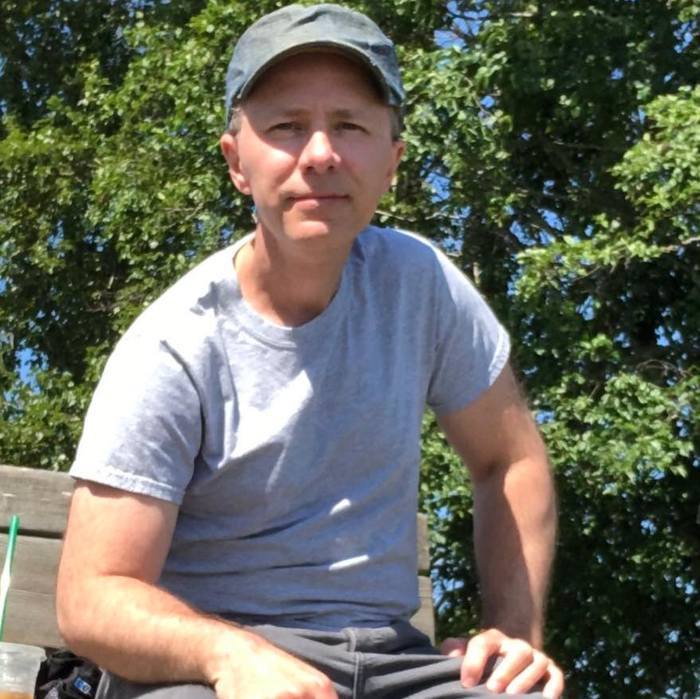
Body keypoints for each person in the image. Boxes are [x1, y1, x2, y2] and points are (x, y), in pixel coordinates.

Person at [56, 4, 563, 698]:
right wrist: (231, 655)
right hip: (209, 668)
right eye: (287, 126)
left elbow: (511, 458)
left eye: (349, 125)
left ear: (392, 161)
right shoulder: (174, 345)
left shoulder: (421, 286)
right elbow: (91, 593)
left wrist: (514, 634)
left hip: (396, 662)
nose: (321, 153)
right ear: (236, 163)